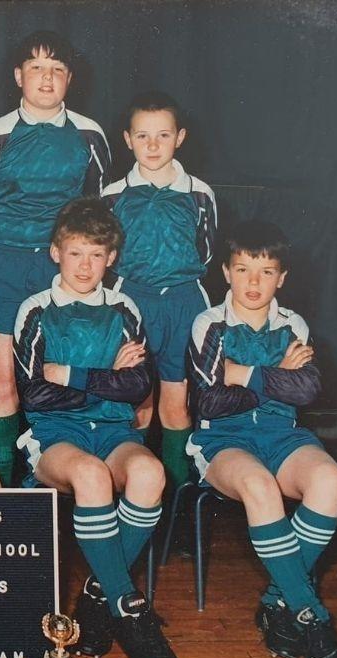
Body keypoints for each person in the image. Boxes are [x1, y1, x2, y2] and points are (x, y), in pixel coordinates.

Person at [13, 198, 178, 658]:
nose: (85, 266)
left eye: (96, 255)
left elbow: (137, 385)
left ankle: (99, 596)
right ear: (55, 253)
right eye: (75, 253)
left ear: (112, 258)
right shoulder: (35, 309)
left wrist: (70, 373)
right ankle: (130, 608)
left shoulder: (124, 308)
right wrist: (107, 376)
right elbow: (34, 393)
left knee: (149, 472)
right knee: (90, 475)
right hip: (55, 435)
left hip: (113, 430)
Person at [186, 220, 337, 658]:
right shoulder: (209, 323)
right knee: (259, 485)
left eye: (266, 272)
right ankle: (310, 614)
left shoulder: (292, 323)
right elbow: (209, 402)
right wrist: (278, 373)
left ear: (282, 277)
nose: (253, 283)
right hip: (223, 439)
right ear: (226, 272)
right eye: (242, 270)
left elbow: (308, 390)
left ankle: (278, 599)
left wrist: (245, 374)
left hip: (282, 436)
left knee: (331, 480)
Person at [0, 30, 110, 485]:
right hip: (7, 263)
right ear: (18, 76)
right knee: (5, 384)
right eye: (36, 68)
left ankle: (55, 476)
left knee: (59, 378)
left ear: (70, 78)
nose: (46, 79)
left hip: (64, 269)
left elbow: (96, 211)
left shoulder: (90, 134)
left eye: (57, 69)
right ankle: (4, 496)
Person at [102, 91, 216, 490]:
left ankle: (178, 502)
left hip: (184, 301)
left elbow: (205, 249)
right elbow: (106, 255)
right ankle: (134, 493)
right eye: (143, 136)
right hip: (133, 300)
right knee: (137, 402)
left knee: (176, 404)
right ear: (127, 139)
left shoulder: (199, 193)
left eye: (163, 135)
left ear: (180, 138)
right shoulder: (112, 195)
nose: (153, 145)